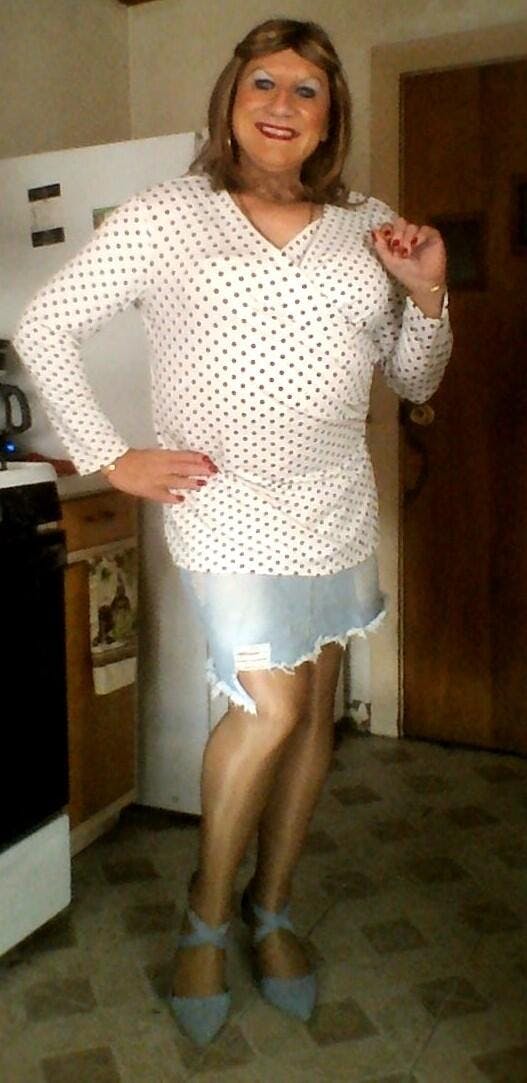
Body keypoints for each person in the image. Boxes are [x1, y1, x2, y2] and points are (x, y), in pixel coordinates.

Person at [14, 18, 452, 1047]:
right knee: (268, 706)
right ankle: (207, 913)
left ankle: (273, 902)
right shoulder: (168, 214)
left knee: (312, 713)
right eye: (263, 82)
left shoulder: (367, 226)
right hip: (224, 503)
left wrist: (427, 292)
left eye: (306, 89)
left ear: (329, 118)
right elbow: (45, 325)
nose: (281, 104)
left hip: (335, 497)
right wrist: (110, 455)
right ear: (230, 100)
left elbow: (414, 377)